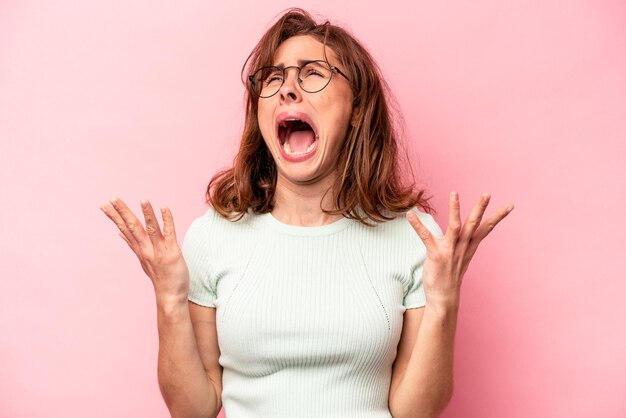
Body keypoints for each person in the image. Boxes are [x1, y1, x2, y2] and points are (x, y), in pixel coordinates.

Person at [100, 8, 513, 418]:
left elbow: (415, 411)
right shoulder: (212, 236)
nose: (287, 89)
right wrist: (169, 300)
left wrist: (443, 302)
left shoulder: (413, 235)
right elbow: (195, 410)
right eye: (273, 78)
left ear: (356, 107)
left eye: (313, 73)